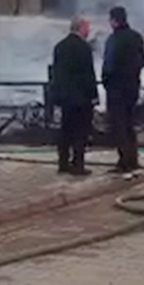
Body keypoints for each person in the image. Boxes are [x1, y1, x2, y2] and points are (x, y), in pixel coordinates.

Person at [51, 16, 99, 176]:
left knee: (65, 130)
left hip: (65, 97)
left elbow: (56, 75)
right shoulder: (84, 48)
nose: (89, 31)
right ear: (80, 28)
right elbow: (88, 74)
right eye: (87, 28)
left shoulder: (60, 46)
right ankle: (78, 164)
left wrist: (56, 96)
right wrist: (94, 95)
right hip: (81, 98)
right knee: (81, 132)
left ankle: (63, 163)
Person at [101, 6, 144, 173]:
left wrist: (107, 82)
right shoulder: (137, 37)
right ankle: (133, 159)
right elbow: (141, 62)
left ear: (114, 20)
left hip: (116, 89)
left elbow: (109, 65)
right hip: (132, 87)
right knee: (129, 124)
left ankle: (124, 161)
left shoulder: (114, 40)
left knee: (119, 125)